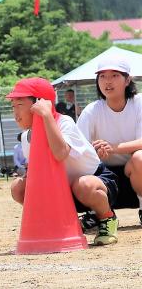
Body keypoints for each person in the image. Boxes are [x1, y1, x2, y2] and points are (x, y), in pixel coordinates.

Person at [8, 77, 119, 246]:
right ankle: (60, 222)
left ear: (40, 103)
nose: (15, 114)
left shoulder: (64, 122)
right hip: (61, 191)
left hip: (95, 183)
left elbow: (60, 153)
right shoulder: (26, 137)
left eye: (20, 106)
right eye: (13, 107)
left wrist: (46, 115)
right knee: (19, 187)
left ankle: (107, 219)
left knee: (84, 184)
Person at [76, 57, 142, 229]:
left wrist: (112, 148)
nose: (107, 81)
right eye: (102, 76)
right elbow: (78, 148)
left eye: (114, 75)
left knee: (140, 158)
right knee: (84, 174)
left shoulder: (139, 103)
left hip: (134, 171)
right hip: (104, 177)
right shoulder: (91, 111)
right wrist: (94, 152)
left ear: (127, 80)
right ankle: (98, 214)